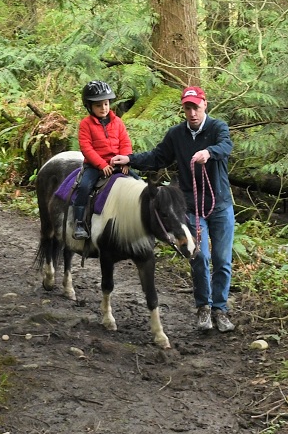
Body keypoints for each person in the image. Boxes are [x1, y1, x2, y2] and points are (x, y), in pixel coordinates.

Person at [111, 85, 236, 333]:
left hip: (220, 204)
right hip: (191, 206)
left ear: (204, 105)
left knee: (222, 260)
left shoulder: (217, 128)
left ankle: (220, 309)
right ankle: (204, 308)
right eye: (187, 108)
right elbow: (157, 157)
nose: (192, 113)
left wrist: (208, 153)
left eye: (196, 107)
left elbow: (226, 147)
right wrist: (130, 159)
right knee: (199, 255)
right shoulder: (176, 135)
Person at [72, 80, 132, 240]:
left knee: (138, 184)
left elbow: (125, 142)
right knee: (84, 187)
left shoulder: (118, 122)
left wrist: (125, 160)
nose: (103, 108)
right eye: (98, 105)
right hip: (94, 166)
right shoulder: (85, 124)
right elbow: (86, 148)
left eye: (106, 104)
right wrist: (101, 164)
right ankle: (79, 222)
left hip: (117, 163)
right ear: (89, 106)